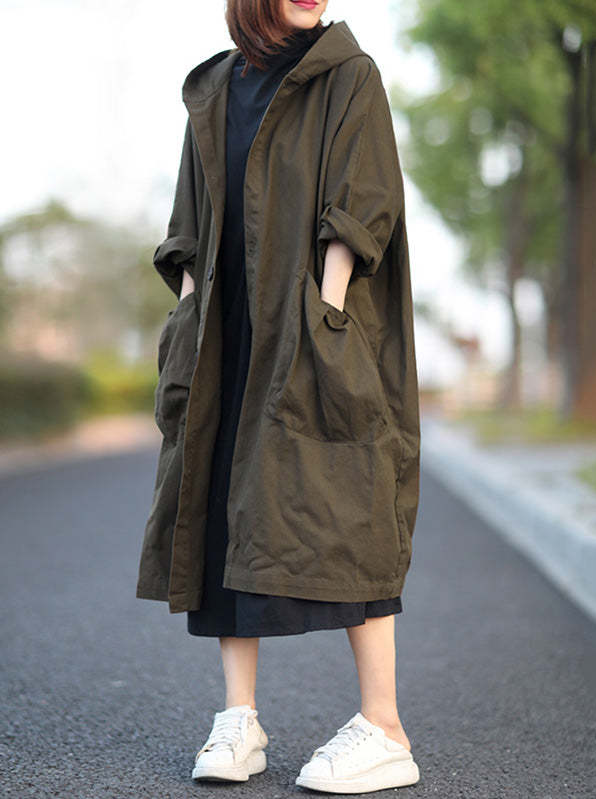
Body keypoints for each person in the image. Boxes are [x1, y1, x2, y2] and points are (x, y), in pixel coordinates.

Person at [138, 0, 421, 793]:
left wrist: (323, 318)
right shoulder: (213, 89)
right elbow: (188, 224)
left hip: (311, 333)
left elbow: (363, 204)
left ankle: (385, 725)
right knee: (224, 511)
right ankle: (240, 717)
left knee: (348, 504)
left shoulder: (348, 75)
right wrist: (191, 316)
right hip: (224, 337)